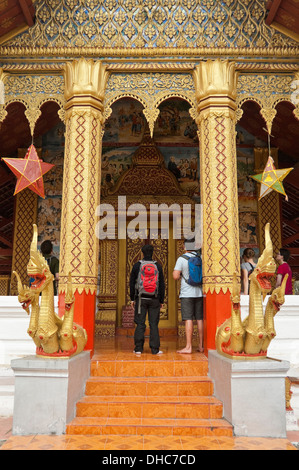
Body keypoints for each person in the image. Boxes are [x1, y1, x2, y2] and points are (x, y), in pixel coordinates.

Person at [130, 244, 165, 355]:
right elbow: (162, 284)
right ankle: (155, 349)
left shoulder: (137, 265)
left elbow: (131, 283)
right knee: (153, 324)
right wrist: (161, 300)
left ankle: (138, 349)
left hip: (141, 299)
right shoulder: (158, 266)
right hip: (154, 299)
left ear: (142, 253)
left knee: (140, 323)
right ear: (153, 253)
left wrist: (132, 298)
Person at [173, 237, 203, 354]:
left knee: (188, 319)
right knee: (200, 319)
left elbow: (175, 276)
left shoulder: (182, 259)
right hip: (199, 293)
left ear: (184, 247)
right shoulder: (199, 258)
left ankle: (188, 346)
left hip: (187, 293)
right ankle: (201, 346)